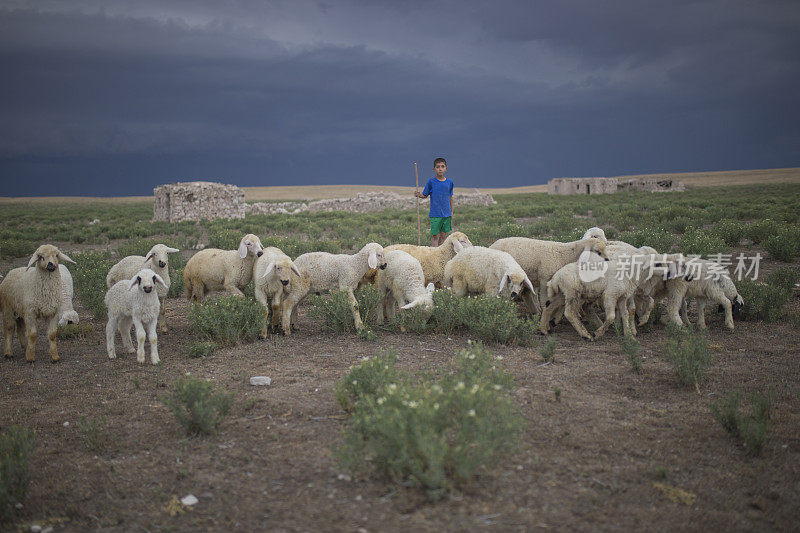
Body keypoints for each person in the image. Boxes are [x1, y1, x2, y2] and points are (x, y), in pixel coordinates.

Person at [414, 157, 454, 247]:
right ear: (434, 169)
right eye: (438, 167)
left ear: (446, 168)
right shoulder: (431, 182)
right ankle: (434, 255)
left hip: (446, 214)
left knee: (444, 236)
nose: (440, 169)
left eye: (442, 166)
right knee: (435, 236)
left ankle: (442, 255)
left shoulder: (450, 182)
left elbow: (451, 198)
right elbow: (424, 195)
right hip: (435, 214)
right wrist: (418, 194)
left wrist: (451, 212)